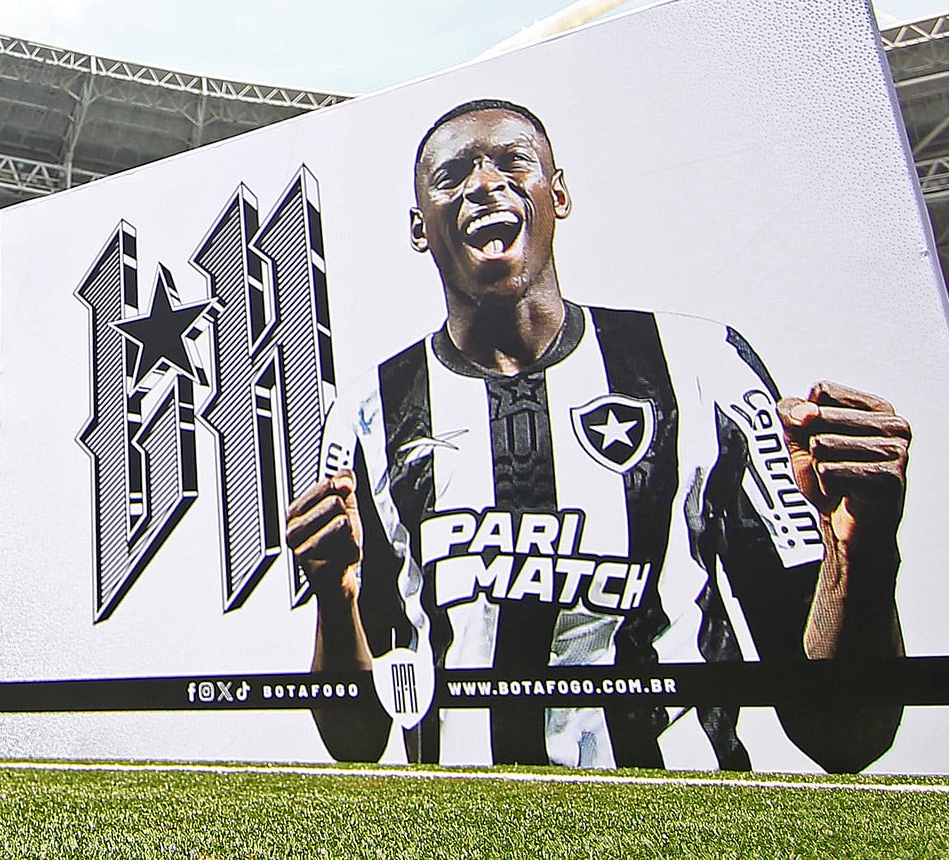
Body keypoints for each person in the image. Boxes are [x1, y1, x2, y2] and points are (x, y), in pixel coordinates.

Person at [284, 98, 909, 773]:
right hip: (464, 819)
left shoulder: (704, 368)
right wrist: (333, 598)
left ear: (557, 194)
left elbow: (842, 730)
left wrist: (861, 550)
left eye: (513, 162)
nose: (485, 183)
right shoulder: (371, 411)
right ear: (420, 227)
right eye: (454, 173)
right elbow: (355, 738)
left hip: (681, 817)